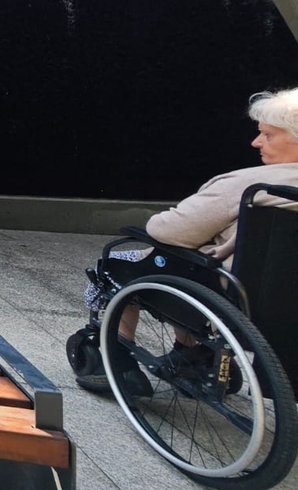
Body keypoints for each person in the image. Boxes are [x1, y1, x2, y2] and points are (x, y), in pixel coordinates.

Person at [75, 87, 298, 395]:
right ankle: (191, 354)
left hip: (235, 298)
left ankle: (117, 359)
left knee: (119, 262)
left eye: (268, 135)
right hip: (286, 309)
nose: (256, 142)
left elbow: (170, 231)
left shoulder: (250, 185)